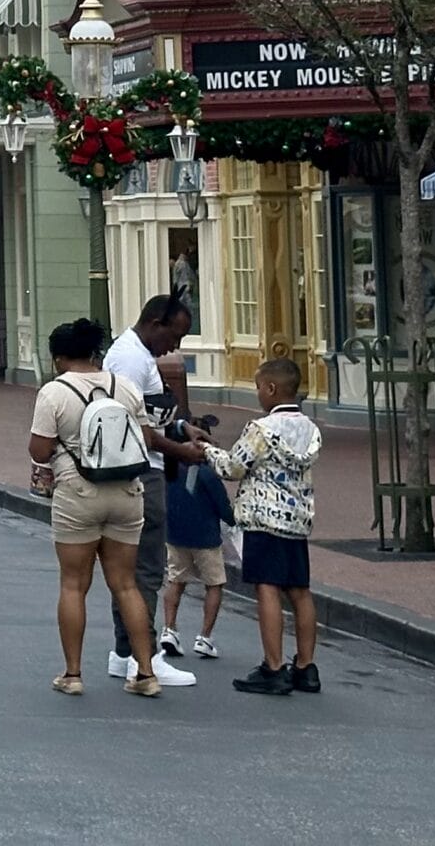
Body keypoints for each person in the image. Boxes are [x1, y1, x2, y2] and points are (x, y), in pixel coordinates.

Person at [27, 316, 165, 698]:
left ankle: (72, 674)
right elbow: (148, 438)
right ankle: (146, 673)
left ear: (58, 358)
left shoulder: (54, 392)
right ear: (94, 353)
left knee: (74, 584)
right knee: (126, 584)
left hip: (78, 493)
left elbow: (39, 450)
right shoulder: (125, 387)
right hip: (127, 493)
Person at [100, 294, 204, 686]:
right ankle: (143, 656)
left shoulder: (138, 356)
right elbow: (135, 427)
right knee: (145, 568)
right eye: (174, 336)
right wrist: (181, 451)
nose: (174, 347)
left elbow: (152, 417)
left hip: (144, 465)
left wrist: (180, 428)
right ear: (156, 323)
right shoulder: (131, 360)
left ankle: (124, 651)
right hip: (144, 470)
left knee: (130, 569)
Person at [206, 356, 324, 696]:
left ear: (271, 388)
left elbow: (232, 466)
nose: (258, 393)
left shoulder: (261, 429)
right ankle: (306, 666)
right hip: (298, 520)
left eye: (259, 387)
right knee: (300, 591)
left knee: (267, 588)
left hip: (264, 519)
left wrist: (207, 451)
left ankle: (274, 667)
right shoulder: (310, 430)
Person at [160, 434, 233, 663]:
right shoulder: (207, 474)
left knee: (176, 580)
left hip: (175, 535)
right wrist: (234, 520)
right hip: (205, 537)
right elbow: (223, 507)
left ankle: (169, 629)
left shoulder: (169, 470)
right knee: (214, 584)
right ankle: (205, 637)